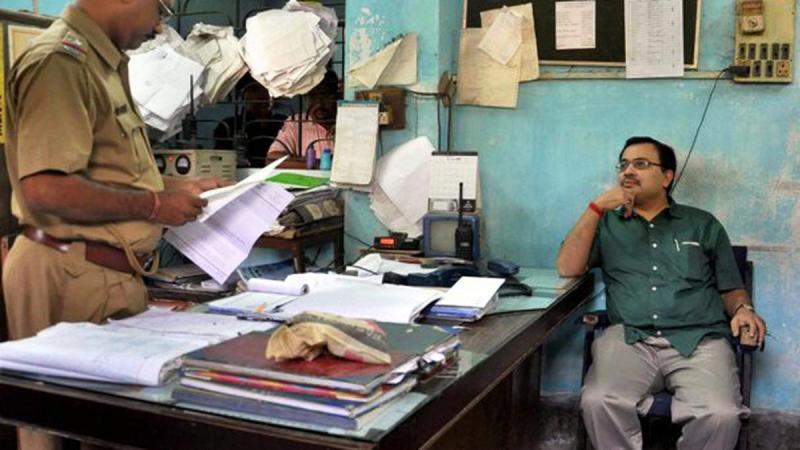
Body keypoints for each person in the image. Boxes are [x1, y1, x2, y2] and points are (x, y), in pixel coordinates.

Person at [3, 1, 227, 447]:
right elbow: (45, 189)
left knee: (115, 431)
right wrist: (155, 205)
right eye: (159, 6)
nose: (162, 21)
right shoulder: (60, 63)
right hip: (64, 269)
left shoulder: (100, 63)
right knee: (50, 434)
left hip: (102, 272)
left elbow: (107, 173)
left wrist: (176, 189)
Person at [556, 137, 767, 450]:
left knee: (720, 415)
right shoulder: (607, 224)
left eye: (640, 164)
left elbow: (730, 287)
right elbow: (567, 267)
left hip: (698, 340)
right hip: (629, 338)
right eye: (624, 164)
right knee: (599, 401)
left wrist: (743, 309)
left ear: (667, 177)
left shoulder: (702, 225)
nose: (628, 171)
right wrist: (597, 208)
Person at [213, 75, 287, 167]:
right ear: (244, 94)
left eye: (266, 89)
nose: (261, 95)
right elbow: (220, 161)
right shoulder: (228, 126)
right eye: (254, 90)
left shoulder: (284, 123)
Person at [266, 69, 339, 162]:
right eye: (313, 96)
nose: (319, 103)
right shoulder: (296, 123)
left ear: (336, 96)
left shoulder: (346, 121)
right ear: (305, 98)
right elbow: (272, 158)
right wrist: (309, 164)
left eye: (324, 95)